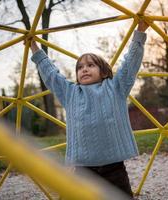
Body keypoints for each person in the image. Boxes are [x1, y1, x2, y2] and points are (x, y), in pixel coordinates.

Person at [29, 20, 149, 198]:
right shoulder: (70, 93)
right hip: (83, 169)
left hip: (114, 167)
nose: (84, 69)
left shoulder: (115, 87)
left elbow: (131, 64)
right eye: (80, 67)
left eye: (90, 65)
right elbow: (51, 75)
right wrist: (34, 47)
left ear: (104, 71)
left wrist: (139, 33)